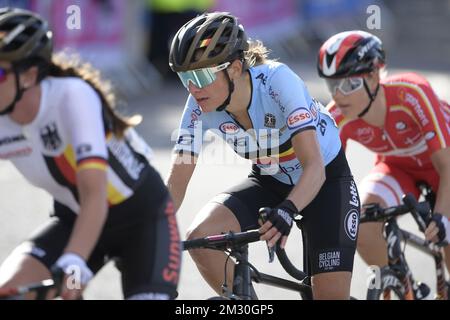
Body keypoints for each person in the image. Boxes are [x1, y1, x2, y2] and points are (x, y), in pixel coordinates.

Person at [167, 12, 361, 300]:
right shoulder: (197, 105)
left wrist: (287, 208)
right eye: (185, 78)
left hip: (325, 183)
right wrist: (150, 230)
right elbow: (176, 184)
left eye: (200, 76)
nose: (192, 88)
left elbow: (315, 169)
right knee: (200, 239)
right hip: (270, 179)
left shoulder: (278, 82)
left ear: (233, 69)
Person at [0, 7, 180, 300]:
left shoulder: (71, 96)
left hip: (140, 219)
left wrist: (73, 261)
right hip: (75, 219)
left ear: (30, 75)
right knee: (10, 293)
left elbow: (95, 194)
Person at [317, 31, 450, 278]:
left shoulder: (411, 93)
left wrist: (442, 216)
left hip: (444, 165)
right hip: (397, 167)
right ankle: (400, 283)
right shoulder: (335, 116)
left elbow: (447, 165)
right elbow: (326, 181)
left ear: (374, 75)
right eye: (332, 85)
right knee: (362, 224)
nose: (338, 95)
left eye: (349, 84)